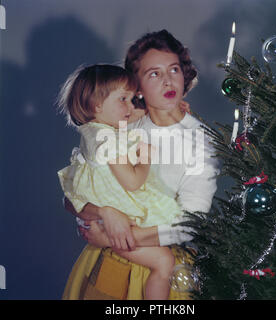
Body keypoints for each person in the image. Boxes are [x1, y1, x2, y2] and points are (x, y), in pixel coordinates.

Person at [62, 29, 219, 300]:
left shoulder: (197, 142)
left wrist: (113, 236)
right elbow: (73, 193)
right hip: (109, 263)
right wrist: (104, 212)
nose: (167, 81)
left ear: (184, 76)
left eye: (174, 70)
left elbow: (191, 221)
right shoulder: (121, 126)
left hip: (162, 264)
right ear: (137, 86)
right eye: (153, 74)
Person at [57, 64, 189, 300]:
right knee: (163, 262)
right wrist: (146, 156)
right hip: (121, 234)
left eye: (133, 99)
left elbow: (140, 115)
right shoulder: (109, 140)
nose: (132, 107)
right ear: (97, 105)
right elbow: (133, 182)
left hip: (123, 226)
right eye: (124, 100)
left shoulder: (97, 130)